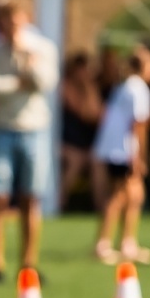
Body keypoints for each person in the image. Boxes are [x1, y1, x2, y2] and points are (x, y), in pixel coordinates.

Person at [0, 0, 59, 281]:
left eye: (15, 20)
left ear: (25, 20)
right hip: (2, 128)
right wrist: (18, 84)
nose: (10, 26)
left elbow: (44, 83)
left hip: (34, 129)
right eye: (5, 21)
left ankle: (28, 262)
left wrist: (28, 64)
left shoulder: (43, 48)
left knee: (30, 197)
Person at [91, 45, 150, 266]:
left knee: (134, 195)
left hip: (113, 148)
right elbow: (138, 126)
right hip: (123, 150)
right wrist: (138, 156)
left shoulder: (125, 86)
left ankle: (128, 243)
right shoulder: (139, 89)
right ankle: (103, 244)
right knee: (119, 196)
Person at [58, 51, 103, 211]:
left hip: (83, 144)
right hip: (64, 143)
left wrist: (89, 87)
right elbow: (86, 114)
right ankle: (58, 202)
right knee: (75, 160)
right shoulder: (65, 86)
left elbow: (98, 115)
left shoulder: (90, 88)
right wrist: (88, 88)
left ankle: (101, 207)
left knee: (97, 161)